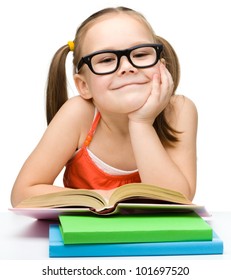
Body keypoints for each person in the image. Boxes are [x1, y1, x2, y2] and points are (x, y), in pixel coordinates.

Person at [11, 6, 198, 207]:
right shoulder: (79, 114)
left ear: (162, 65)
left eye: (141, 54)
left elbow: (178, 199)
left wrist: (141, 124)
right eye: (107, 59)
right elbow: (23, 193)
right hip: (87, 236)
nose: (127, 67)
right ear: (84, 85)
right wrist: (107, 197)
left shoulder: (178, 111)